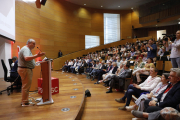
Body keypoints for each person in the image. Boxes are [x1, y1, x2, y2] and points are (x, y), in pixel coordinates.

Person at [18, 39, 45, 106]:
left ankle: (25, 99)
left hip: (25, 69)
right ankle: (25, 102)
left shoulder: (27, 49)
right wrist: (37, 56)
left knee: (26, 86)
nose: (34, 45)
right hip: (25, 70)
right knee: (26, 86)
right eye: (33, 44)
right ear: (29, 43)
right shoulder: (26, 49)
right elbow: (26, 58)